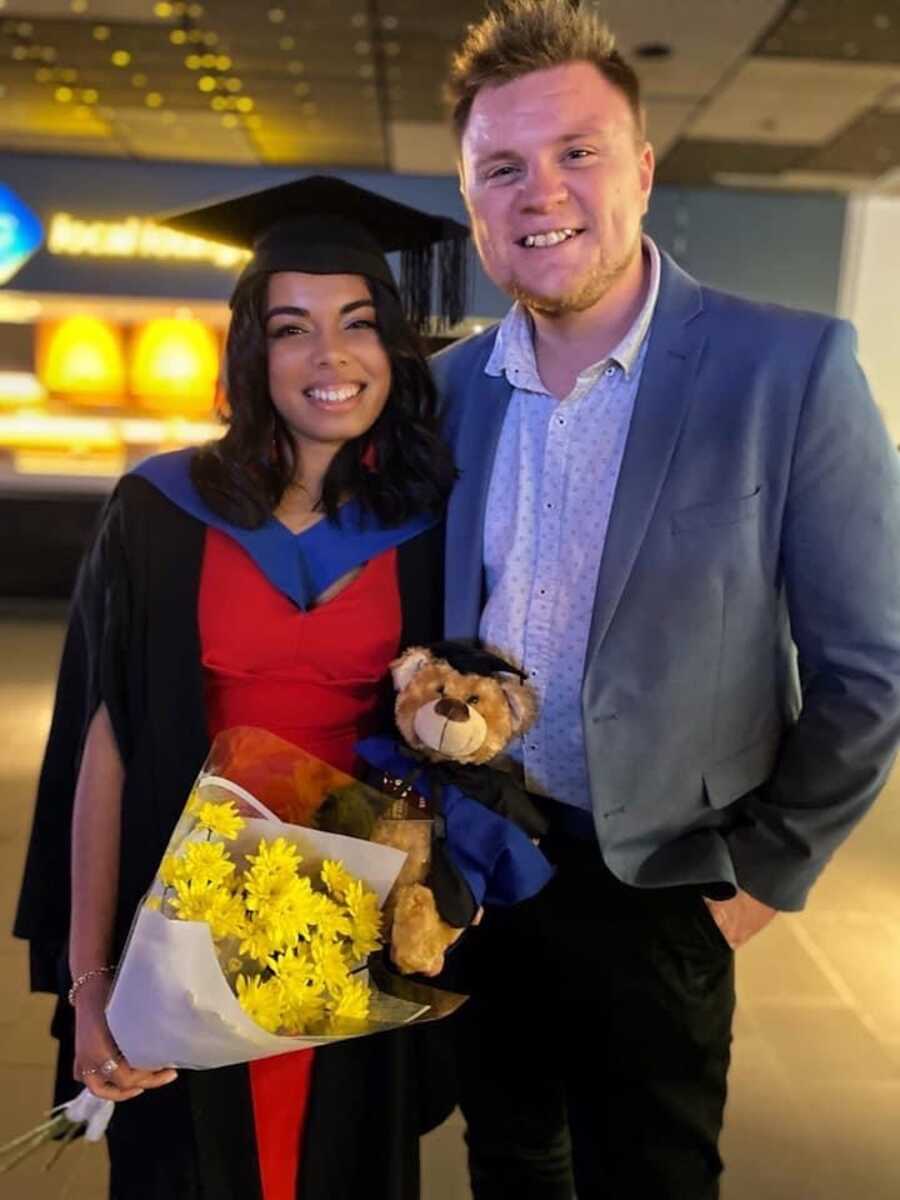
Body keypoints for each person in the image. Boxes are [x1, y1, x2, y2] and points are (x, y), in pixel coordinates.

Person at [432, 2, 900, 1197]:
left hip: (671, 887)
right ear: (473, 203)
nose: (542, 192)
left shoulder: (787, 370)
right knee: (509, 1155)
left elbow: (871, 668)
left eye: (576, 152)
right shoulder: (445, 391)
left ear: (641, 169)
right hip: (486, 871)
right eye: (503, 167)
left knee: (651, 1177)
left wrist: (758, 883)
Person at [14, 175, 469, 1200]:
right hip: (185, 932)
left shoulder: (436, 526)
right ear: (251, 353)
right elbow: (102, 758)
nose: (331, 357)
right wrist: (92, 984)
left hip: (352, 929)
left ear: (393, 347)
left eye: (358, 323)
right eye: (292, 327)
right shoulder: (159, 513)